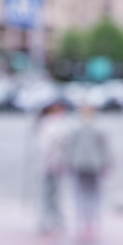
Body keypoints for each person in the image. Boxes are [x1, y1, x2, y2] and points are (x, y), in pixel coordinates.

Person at [66, 103, 111, 245]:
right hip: (93, 165)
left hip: (80, 164)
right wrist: (107, 164)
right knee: (93, 194)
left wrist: (68, 162)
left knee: (81, 194)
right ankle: (91, 222)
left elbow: (70, 148)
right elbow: (104, 149)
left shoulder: (76, 129)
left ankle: (83, 222)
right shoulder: (99, 128)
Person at [34, 99, 72, 235]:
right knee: (50, 193)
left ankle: (54, 219)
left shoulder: (47, 124)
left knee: (52, 193)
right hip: (52, 164)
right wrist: (53, 161)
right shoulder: (53, 125)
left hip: (51, 163)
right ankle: (48, 220)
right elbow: (46, 147)